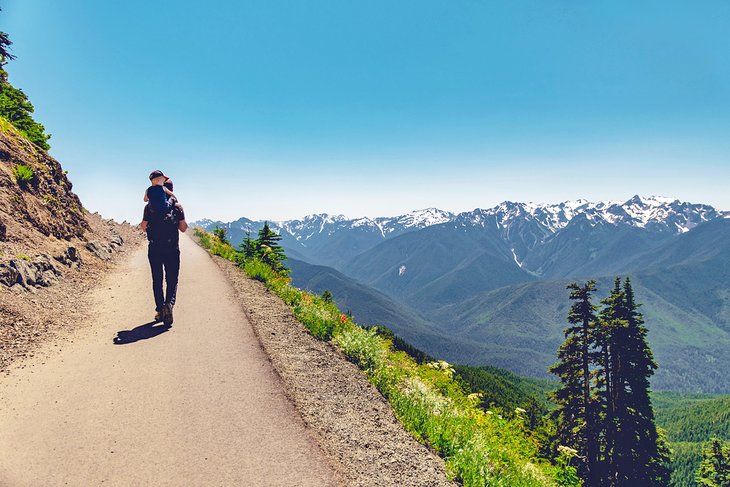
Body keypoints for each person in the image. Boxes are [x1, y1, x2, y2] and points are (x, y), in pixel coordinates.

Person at [140, 173, 188, 325]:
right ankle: (169, 305)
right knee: (172, 280)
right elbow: (183, 228)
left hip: (154, 248)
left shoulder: (149, 207)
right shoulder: (177, 206)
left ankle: (160, 310)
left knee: (157, 279)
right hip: (172, 248)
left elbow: (143, 227)